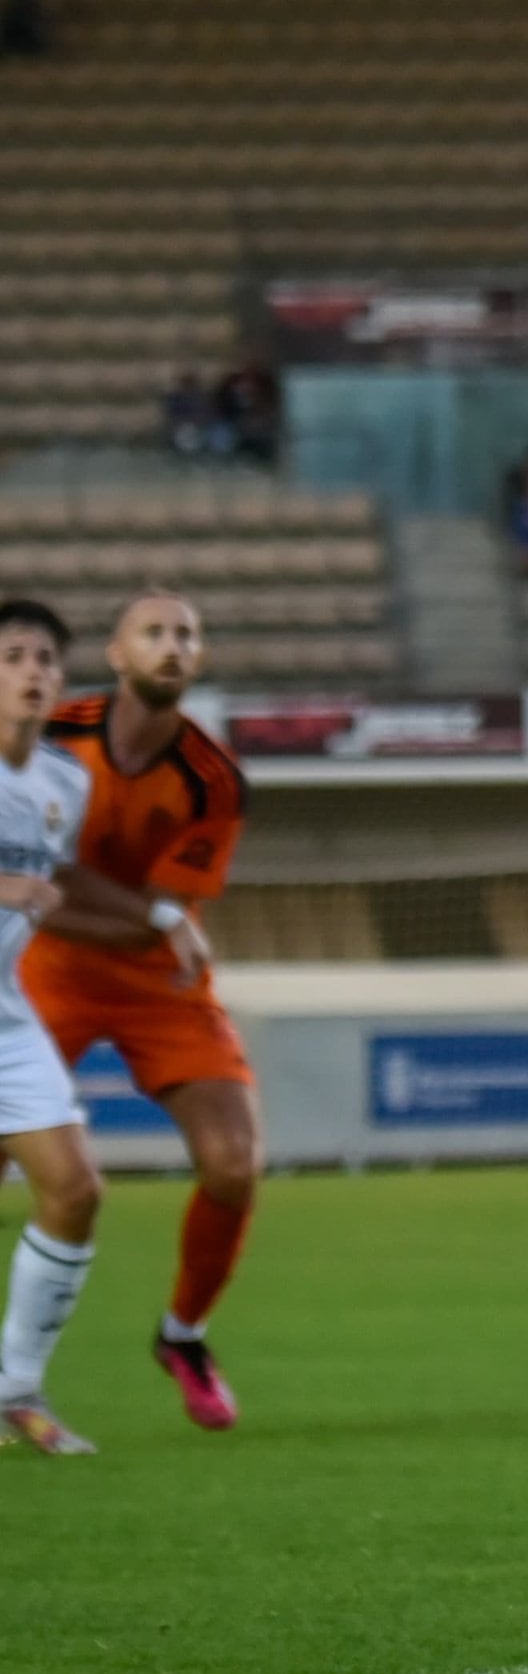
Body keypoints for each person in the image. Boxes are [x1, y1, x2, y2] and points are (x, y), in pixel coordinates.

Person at [23, 592, 252, 1430]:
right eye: (153, 633)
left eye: (187, 634)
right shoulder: (53, 732)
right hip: (44, 972)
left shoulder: (214, 778)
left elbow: (151, 906)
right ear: (117, 655)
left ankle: (183, 1336)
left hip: (158, 982)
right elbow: (88, 899)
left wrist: (130, 915)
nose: (172, 646)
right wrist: (147, 917)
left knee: (233, 1164)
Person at [0, 599, 108, 1455]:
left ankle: (15, 1392)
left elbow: (57, 884)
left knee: (74, 1189)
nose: (33, 671)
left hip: (5, 1011)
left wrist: (166, 912)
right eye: (13, 657)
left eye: (45, 658)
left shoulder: (66, 782)